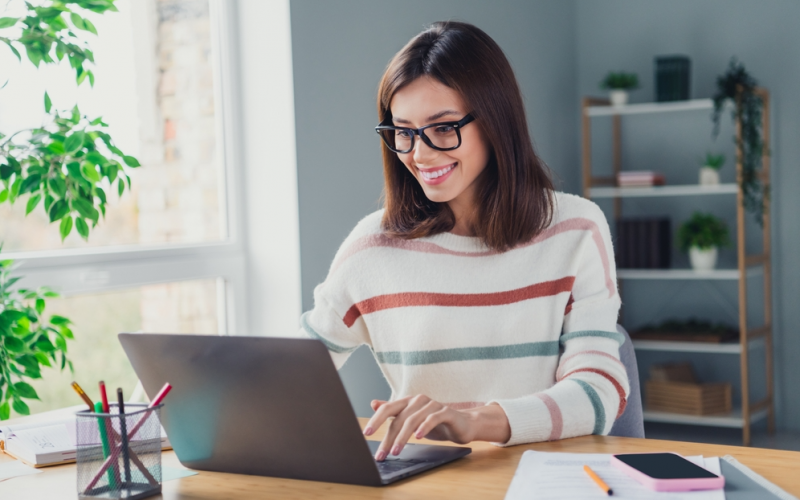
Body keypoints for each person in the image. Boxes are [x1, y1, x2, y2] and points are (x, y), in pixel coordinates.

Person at [300, 21, 628, 462]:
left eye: (443, 127)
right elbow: (293, 373)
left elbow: (599, 389)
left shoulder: (575, 230)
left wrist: (475, 422)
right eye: (403, 132)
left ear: (495, 120)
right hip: (423, 486)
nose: (419, 154)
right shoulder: (371, 248)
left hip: (543, 481)